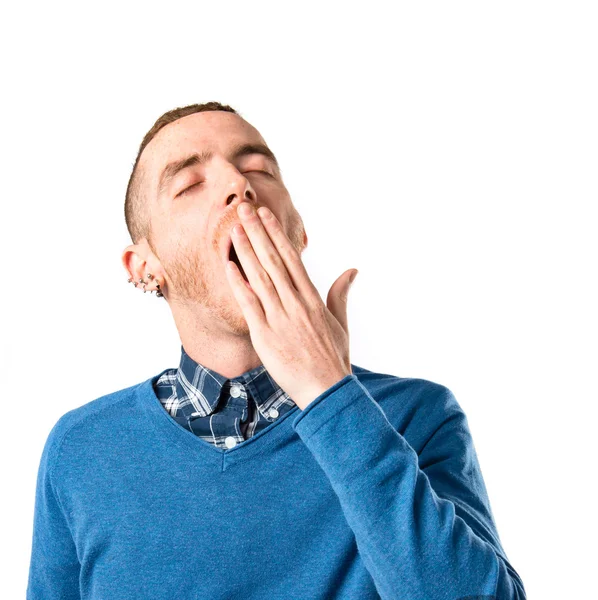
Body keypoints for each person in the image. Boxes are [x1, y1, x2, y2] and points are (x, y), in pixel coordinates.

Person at [26, 101, 527, 599]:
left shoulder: (417, 416)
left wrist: (330, 394)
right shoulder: (81, 450)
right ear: (144, 267)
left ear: (298, 231)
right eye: (189, 184)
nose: (237, 187)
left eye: (257, 170)